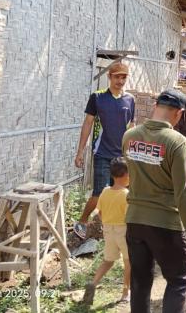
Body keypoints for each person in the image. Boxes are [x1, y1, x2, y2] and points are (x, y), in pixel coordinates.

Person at [123, 89, 186, 313]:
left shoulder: (129, 136)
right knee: (179, 280)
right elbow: (184, 192)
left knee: (140, 281)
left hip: (135, 222)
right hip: (166, 223)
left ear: (155, 106)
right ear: (179, 113)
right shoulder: (177, 142)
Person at [74, 62, 135, 239]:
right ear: (109, 77)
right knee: (99, 192)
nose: (120, 80)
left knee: (122, 192)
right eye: (117, 76)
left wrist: (131, 152)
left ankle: (113, 225)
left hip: (122, 156)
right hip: (102, 153)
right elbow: (87, 124)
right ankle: (82, 222)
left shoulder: (130, 100)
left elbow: (132, 127)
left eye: (123, 77)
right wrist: (80, 152)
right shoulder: (98, 97)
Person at [83, 157, 131, 305]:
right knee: (129, 262)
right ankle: (125, 293)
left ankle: (93, 282)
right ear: (126, 175)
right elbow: (130, 217)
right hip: (123, 231)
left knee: (108, 260)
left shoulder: (104, 191)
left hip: (108, 230)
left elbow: (99, 211)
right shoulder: (126, 195)